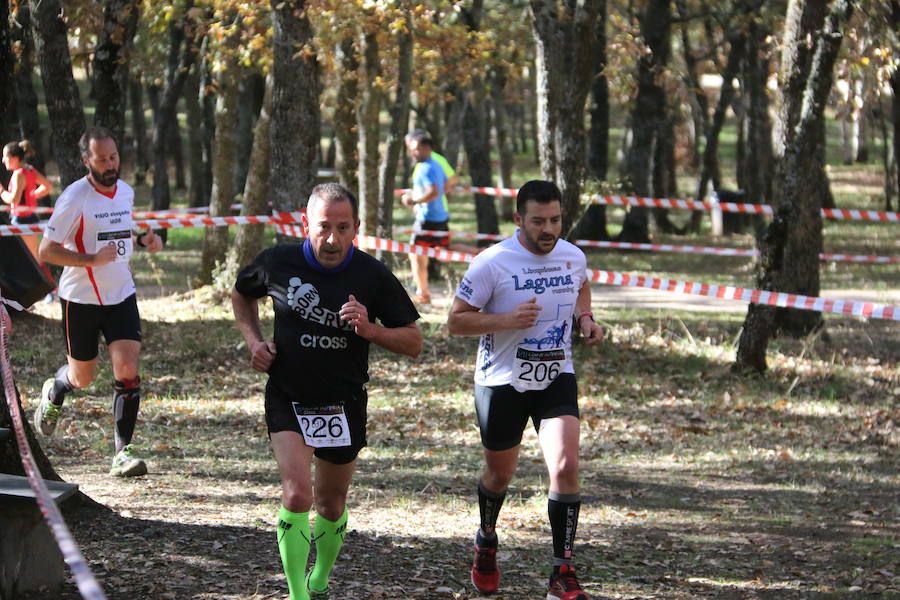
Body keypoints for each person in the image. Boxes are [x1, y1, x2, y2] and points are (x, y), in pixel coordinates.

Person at [231, 182, 422, 600]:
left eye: (342, 228)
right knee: (297, 493)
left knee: (330, 505)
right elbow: (242, 295)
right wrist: (254, 342)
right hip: (288, 393)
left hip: (343, 402)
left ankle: (320, 577)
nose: (331, 239)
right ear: (305, 223)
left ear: (357, 227)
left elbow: (414, 342)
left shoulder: (373, 275)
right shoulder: (277, 262)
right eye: (322, 227)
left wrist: (370, 329)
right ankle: (298, 594)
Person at [447, 180, 604, 600]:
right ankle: (486, 538)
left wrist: (585, 317)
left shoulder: (572, 256)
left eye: (555, 220)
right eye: (538, 221)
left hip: (555, 374)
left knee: (566, 466)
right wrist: (505, 320)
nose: (548, 229)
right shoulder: (492, 262)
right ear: (519, 219)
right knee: (500, 475)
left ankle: (562, 573)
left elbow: (581, 283)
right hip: (501, 380)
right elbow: (456, 321)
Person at [34, 126, 163, 478]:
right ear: (86, 160)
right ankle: (57, 386)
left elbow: (123, 230)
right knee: (83, 377)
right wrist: (91, 259)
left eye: (114, 157)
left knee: (127, 368)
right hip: (80, 299)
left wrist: (146, 239)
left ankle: (123, 452)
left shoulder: (126, 192)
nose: (110, 164)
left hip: (121, 294)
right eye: (102, 159)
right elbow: (46, 250)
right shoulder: (74, 197)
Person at [400, 133, 449, 305]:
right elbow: (445, 186)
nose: (413, 153)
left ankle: (423, 294)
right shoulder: (436, 165)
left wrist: (414, 200)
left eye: (416, 150)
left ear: (427, 148)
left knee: (416, 254)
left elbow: (434, 192)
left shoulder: (425, 168)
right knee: (444, 251)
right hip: (439, 215)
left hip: (427, 219)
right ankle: (481, 251)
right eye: (412, 150)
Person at [1, 140, 53, 260]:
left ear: (14, 158)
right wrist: (31, 196)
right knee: (32, 258)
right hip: (31, 218)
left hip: (21, 220)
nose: (3, 160)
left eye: (5, 157)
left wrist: (2, 192)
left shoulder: (18, 174)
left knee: (23, 261)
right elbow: (48, 186)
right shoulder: (29, 170)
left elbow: (15, 199)